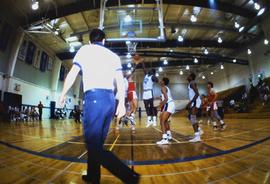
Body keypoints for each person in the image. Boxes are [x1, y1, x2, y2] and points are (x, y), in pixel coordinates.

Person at [59, 29, 140, 184]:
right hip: (109, 100)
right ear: (104, 41)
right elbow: (119, 80)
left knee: (93, 146)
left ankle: (129, 177)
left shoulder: (84, 50)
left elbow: (72, 74)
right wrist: (121, 103)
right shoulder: (114, 56)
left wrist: (63, 93)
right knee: (96, 143)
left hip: (94, 99)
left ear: (90, 41)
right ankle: (92, 177)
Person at [156, 77, 175, 145]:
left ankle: (164, 139)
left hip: (169, 104)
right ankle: (169, 135)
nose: (160, 81)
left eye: (161, 80)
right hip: (170, 104)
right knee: (165, 120)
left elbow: (166, 99)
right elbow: (165, 97)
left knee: (162, 121)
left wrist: (159, 106)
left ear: (163, 82)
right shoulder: (166, 88)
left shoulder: (163, 88)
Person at [186, 73, 203, 142]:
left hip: (195, 101)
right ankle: (199, 130)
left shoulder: (192, 83)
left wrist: (190, 102)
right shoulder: (191, 83)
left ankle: (197, 137)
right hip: (194, 101)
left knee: (192, 118)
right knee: (190, 117)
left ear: (191, 77)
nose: (187, 76)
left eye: (189, 76)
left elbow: (197, 93)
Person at [141, 60, 159, 127]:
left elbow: (157, 80)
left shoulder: (152, 77)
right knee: (146, 106)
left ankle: (154, 120)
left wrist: (154, 75)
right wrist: (142, 62)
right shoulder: (146, 75)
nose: (149, 71)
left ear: (152, 72)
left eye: (150, 70)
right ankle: (149, 120)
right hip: (144, 92)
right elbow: (144, 69)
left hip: (149, 91)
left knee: (151, 106)